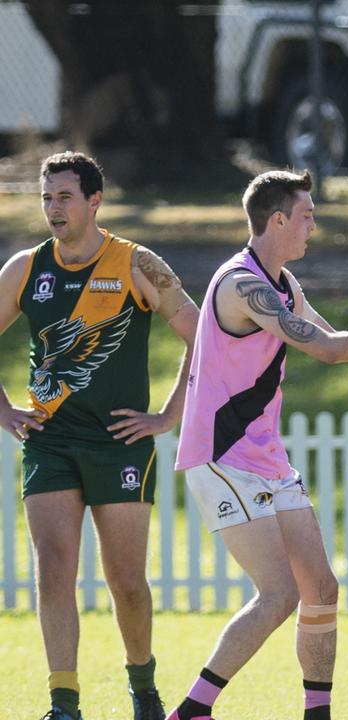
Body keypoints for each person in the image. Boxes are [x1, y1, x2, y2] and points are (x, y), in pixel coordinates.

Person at [167, 169, 348, 720]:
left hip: (265, 459)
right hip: (222, 457)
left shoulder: (281, 283)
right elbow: (325, 349)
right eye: (306, 215)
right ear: (277, 220)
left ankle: (317, 713)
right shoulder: (242, 283)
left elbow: (334, 339)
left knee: (321, 588)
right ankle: (191, 711)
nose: (314, 225)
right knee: (279, 595)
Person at [0, 151, 198, 720]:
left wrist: (166, 417)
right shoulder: (26, 268)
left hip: (120, 445)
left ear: (94, 201)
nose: (53, 208)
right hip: (49, 442)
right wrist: (7, 412)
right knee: (55, 564)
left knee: (127, 582)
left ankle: (144, 688)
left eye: (64, 197)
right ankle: (63, 703)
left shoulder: (138, 264)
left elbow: (201, 336)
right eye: (46, 197)